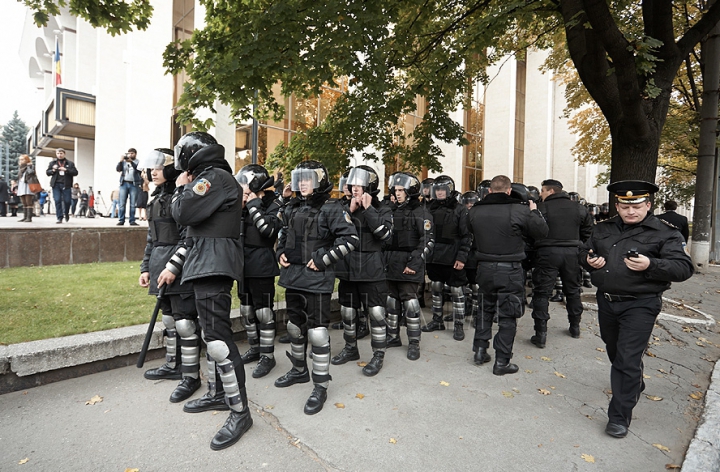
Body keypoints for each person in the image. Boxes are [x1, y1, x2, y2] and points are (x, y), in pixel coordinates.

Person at [581, 180, 693, 439]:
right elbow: (583, 250)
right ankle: (633, 383)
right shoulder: (603, 229)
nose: (631, 211)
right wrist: (589, 260)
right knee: (614, 350)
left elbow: (683, 268)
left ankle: (619, 417)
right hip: (607, 301)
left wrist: (651, 265)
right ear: (617, 206)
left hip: (641, 303)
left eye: (637, 206)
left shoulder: (666, 232)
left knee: (627, 358)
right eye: (624, 206)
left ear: (648, 205)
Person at [170, 131, 251, 450]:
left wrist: (180, 190)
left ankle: (240, 412)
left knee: (218, 340)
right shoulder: (211, 178)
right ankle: (219, 394)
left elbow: (182, 213)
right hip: (206, 262)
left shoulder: (212, 178)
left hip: (213, 263)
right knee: (210, 335)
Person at [274, 160, 359, 415]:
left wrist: (324, 259)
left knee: (318, 333)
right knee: (294, 327)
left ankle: (320, 385)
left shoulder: (332, 208)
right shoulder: (292, 208)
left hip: (317, 279)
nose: (302, 183)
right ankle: (299, 370)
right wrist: (280, 251)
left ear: (319, 181)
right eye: (299, 179)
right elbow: (281, 233)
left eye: (307, 179)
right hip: (293, 276)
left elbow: (350, 239)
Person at [467, 175, 548, 375]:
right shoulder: (519, 210)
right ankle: (501, 361)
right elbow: (541, 231)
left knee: (484, 310)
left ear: (490, 191)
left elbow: (469, 231)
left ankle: (480, 351)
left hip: (484, 268)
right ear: (509, 190)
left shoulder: (475, 210)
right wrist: (535, 212)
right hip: (509, 269)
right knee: (508, 315)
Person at [139, 148, 201, 403]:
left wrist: (174, 267)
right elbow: (152, 238)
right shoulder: (154, 200)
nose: (152, 171)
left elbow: (190, 236)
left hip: (180, 268)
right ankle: (173, 365)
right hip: (158, 267)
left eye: (158, 166)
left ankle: (191, 376)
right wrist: (145, 268)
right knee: (169, 322)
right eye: (150, 167)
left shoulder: (182, 198)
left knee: (185, 323)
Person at [331, 165, 393, 376]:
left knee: (376, 312)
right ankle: (350, 348)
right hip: (348, 267)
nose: (354, 187)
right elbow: (332, 232)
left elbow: (385, 235)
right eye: (352, 184)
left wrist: (368, 210)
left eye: (359, 184)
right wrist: (349, 211)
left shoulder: (382, 208)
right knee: (347, 311)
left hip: (372, 269)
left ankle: (378, 355)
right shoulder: (343, 206)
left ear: (370, 185)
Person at [529, 179, 594, 348]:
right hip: (572, 253)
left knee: (542, 293)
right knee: (572, 291)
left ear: (550, 191)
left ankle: (540, 334)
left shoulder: (541, 209)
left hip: (547, 253)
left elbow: (531, 232)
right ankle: (575, 327)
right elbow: (588, 233)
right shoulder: (579, 208)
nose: (540, 194)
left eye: (542, 191)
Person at [235, 164, 284, 379]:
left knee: (263, 312)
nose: (242, 188)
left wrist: (254, 204)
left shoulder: (273, 204)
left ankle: (267, 355)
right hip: (242, 265)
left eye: (245, 183)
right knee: (246, 310)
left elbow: (267, 230)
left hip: (262, 265)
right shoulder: (242, 206)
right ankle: (255, 348)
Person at [384, 172, 434, 361]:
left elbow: (427, 241)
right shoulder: (391, 210)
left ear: (410, 191)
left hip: (409, 263)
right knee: (391, 301)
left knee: (410, 303)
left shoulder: (421, 212)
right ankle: (393, 336)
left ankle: (414, 342)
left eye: (401, 190)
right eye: (395, 190)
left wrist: (414, 263)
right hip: (391, 262)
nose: (397, 194)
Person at [420, 175, 471, 341]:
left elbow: (466, 236)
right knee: (436, 287)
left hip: (453, 257)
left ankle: (458, 325)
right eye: (437, 189)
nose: (440, 192)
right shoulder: (429, 209)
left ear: (449, 190)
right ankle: (437, 320)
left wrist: (462, 258)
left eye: (443, 189)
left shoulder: (460, 209)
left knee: (457, 291)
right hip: (434, 257)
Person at [46, 148, 78, 223]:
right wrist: (53, 170)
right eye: (58, 153)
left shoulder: (70, 163)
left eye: (61, 153)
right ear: (56, 154)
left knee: (67, 201)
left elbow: (75, 172)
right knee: (57, 200)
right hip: (56, 184)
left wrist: (66, 170)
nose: (59, 155)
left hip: (66, 184)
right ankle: (59, 217)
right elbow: (47, 172)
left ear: (64, 154)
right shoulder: (52, 163)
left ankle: (66, 213)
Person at [116, 147, 142, 226]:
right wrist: (120, 161)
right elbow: (118, 169)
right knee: (122, 203)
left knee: (133, 204)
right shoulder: (124, 162)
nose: (130, 155)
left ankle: (132, 220)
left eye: (132, 153)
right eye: (129, 153)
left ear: (135, 154)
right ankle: (121, 220)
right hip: (124, 183)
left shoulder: (138, 162)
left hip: (133, 184)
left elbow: (139, 170)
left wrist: (131, 162)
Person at [17, 155, 41, 223]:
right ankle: (25, 217)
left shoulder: (31, 166)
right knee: (24, 202)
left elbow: (31, 172)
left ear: (26, 160)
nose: (21, 161)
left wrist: (28, 166)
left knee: (28, 202)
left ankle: (29, 217)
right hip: (21, 185)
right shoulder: (20, 168)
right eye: (20, 160)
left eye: (23, 159)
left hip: (28, 185)